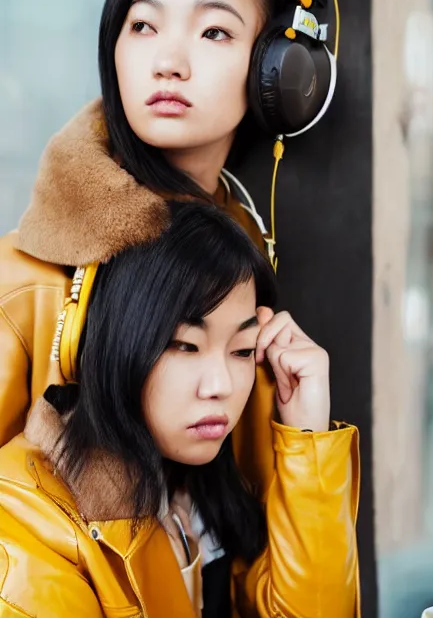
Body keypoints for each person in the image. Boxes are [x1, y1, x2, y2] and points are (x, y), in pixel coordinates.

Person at [0, 0, 358, 612]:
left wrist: (306, 439)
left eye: (214, 31)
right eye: (142, 27)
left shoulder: (237, 277)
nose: (168, 61)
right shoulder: (28, 285)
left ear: (276, 73)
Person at [0, 202, 358, 617]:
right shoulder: (27, 545)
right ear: (114, 343)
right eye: (186, 346)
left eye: (243, 351)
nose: (221, 386)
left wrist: (308, 438)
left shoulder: (206, 495)